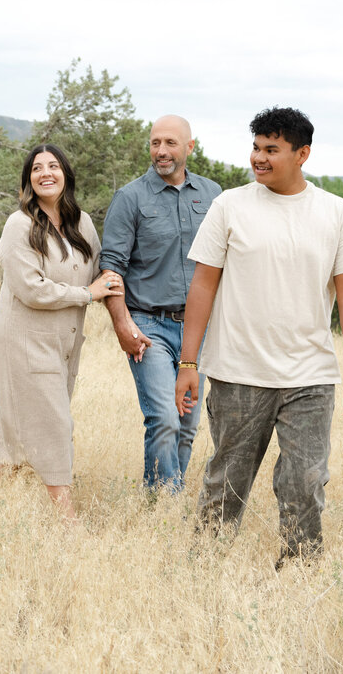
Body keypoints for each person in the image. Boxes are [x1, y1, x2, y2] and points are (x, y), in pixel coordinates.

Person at [175, 107, 343, 568]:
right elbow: (202, 284)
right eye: (256, 148)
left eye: (271, 150)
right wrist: (188, 363)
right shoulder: (230, 206)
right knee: (227, 482)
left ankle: (299, 575)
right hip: (238, 371)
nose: (258, 159)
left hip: (309, 374)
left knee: (304, 481)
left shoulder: (336, 212)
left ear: (302, 154)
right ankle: (202, 570)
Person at [0, 144, 122, 519]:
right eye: (37, 168)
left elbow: (100, 268)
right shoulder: (19, 225)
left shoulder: (80, 221)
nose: (45, 173)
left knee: (21, 422)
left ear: (66, 173)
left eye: (53, 166)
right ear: (28, 179)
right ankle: (67, 521)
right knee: (54, 423)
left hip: (64, 341)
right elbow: (31, 289)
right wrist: (87, 293)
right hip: (25, 338)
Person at [99, 115, 222, 491]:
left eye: (170, 143)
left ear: (190, 147)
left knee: (187, 425)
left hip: (196, 328)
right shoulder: (130, 198)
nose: (161, 151)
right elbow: (112, 269)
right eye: (155, 143)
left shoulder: (213, 195)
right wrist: (122, 325)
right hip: (147, 325)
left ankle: (163, 506)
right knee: (164, 417)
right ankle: (166, 505)